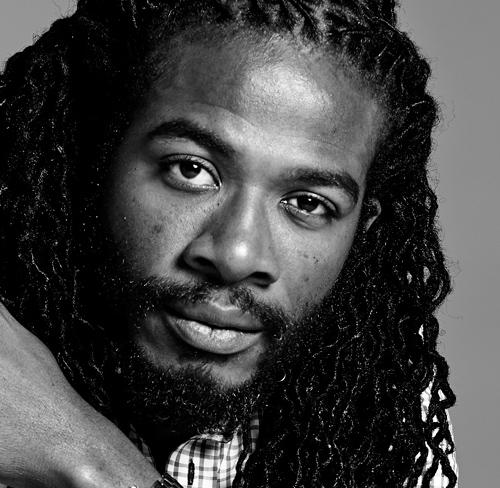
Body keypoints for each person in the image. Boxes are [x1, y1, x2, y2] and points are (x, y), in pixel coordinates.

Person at [0, 0, 458, 487]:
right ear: (97, 156)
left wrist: (87, 459)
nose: (237, 256)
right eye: (190, 170)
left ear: (361, 229)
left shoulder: (383, 400)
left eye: (307, 203)